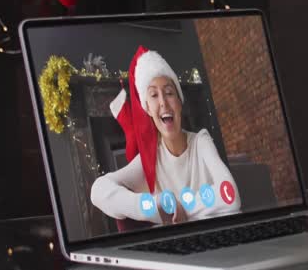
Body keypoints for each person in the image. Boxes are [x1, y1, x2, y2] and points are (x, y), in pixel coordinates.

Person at [90, 50, 241, 225]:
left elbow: (230, 196)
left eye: (169, 93)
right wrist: (154, 206)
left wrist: (179, 207)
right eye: (154, 95)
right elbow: (98, 191)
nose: (163, 102)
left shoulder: (201, 142)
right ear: (148, 110)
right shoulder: (151, 159)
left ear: (179, 102)